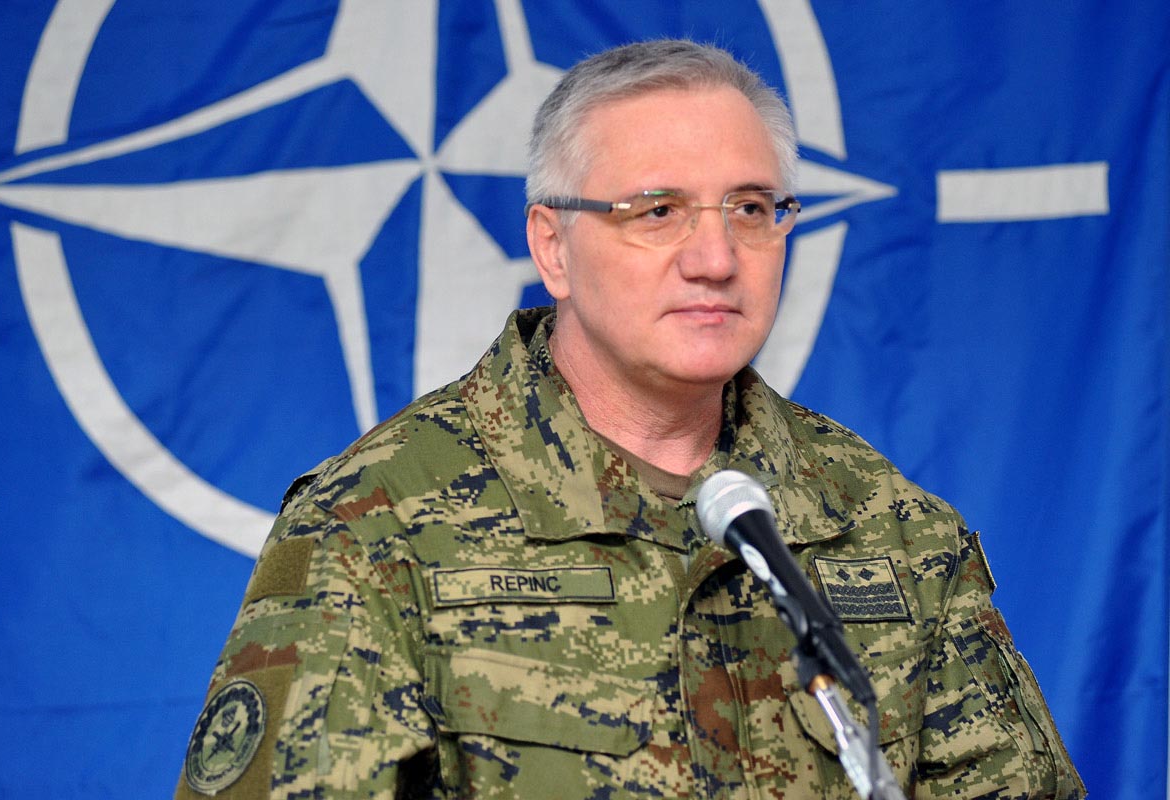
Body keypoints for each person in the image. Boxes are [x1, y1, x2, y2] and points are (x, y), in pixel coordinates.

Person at [176, 39, 1084, 799]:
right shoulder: (373, 525)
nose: (716, 257)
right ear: (552, 247)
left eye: (751, 209)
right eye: (658, 211)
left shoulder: (889, 527)